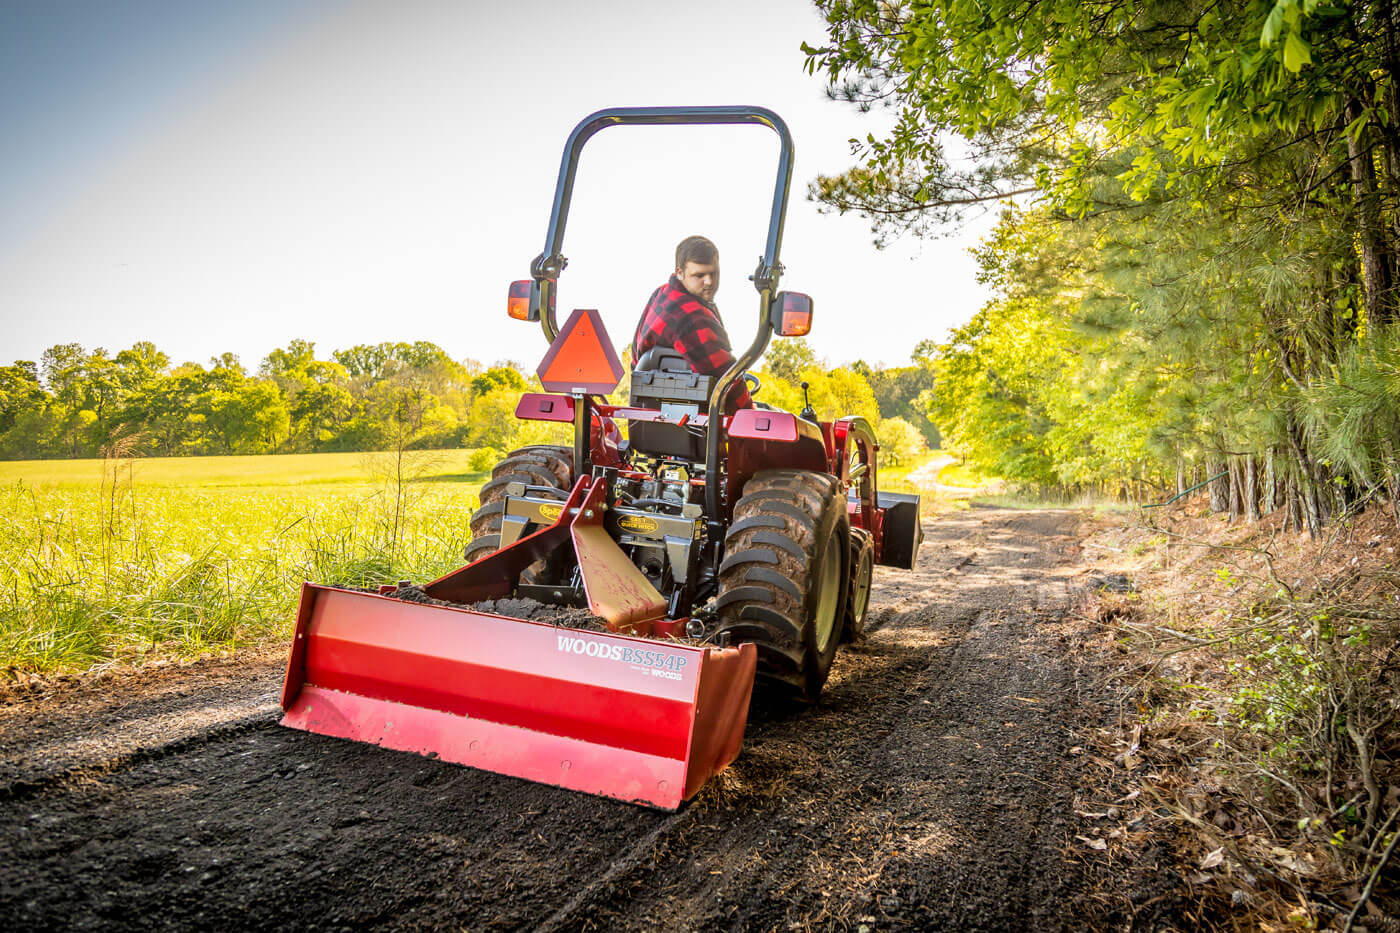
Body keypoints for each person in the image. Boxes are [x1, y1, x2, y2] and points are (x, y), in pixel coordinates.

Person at [632, 235, 751, 410]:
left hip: (647, 410)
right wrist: (750, 416)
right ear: (680, 272)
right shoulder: (692, 317)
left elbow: (635, 355)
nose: (709, 282)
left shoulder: (661, 294)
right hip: (692, 420)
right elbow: (727, 381)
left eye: (713, 273)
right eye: (699, 275)